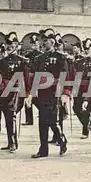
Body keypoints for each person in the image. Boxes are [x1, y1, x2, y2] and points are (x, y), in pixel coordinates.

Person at [27, 28, 69, 158]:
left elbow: (64, 76)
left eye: (46, 41)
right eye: (43, 41)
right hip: (42, 92)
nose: (44, 43)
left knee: (52, 120)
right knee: (42, 122)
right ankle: (43, 150)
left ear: (52, 41)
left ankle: (61, 139)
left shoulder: (60, 57)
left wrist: (64, 93)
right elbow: (36, 77)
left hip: (54, 92)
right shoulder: (39, 58)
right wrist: (31, 93)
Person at [0, 32, 29, 153]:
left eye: (12, 44)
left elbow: (26, 79)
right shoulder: (1, 61)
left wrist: (28, 94)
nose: (9, 46)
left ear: (16, 45)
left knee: (11, 115)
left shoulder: (22, 61)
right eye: (8, 43)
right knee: (7, 115)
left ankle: (13, 142)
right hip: (4, 91)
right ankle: (11, 142)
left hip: (16, 92)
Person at [73, 38, 91, 139]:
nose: (86, 51)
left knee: (86, 109)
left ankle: (85, 131)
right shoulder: (78, 62)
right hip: (79, 88)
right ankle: (87, 123)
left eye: (88, 49)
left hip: (90, 87)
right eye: (85, 50)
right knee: (76, 108)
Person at [23, 34, 43, 126]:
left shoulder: (42, 55)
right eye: (32, 44)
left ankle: (42, 114)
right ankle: (29, 119)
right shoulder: (27, 55)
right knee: (28, 97)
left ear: (38, 44)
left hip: (38, 79)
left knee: (38, 99)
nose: (34, 46)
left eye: (35, 44)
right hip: (29, 79)